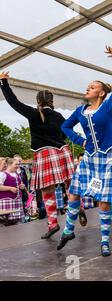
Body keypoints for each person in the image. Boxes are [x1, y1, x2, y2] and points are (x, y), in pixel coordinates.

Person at [57, 46, 112, 257]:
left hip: (108, 159)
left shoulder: (107, 106)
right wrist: (81, 140)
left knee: (104, 200)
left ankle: (104, 241)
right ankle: (68, 230)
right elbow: (65, 127)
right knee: (74, 193)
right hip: (90, 158)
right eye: (88, 86)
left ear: (101, 92)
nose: (88, 88)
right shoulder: (80, 111)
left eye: (93, 86)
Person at [0, 71, 75, 239]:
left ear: (38, 101)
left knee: (47, 191)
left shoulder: (33, 113)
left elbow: (13, 102)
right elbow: (64, 135)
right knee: (70, 185)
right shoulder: (58, 116)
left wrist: (3, 82)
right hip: (62, 152)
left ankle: (53, 223)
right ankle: (78, 210)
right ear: (51, 101)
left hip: (44, 154)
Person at [0, 158, 25, 224]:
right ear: (9, 165)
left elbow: (20, 184)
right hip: (7, 201)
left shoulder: (16, 174)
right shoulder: (3, 174)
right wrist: (10, 188)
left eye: (18, 164)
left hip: (17, 201)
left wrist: (22, 187)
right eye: (16, 164)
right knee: (8, 222)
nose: (18, 166)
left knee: (17, 222)